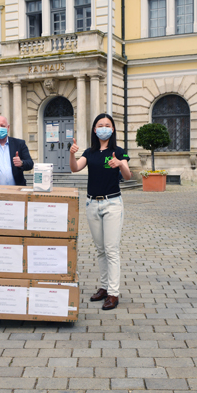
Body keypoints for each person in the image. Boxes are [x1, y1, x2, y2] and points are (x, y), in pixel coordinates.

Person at [69, 113, 131, 310]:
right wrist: (71, 154)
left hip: (112, 204)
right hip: (92, 205)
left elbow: (128, 176)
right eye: (100, 125)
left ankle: (113, 293)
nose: (103, 127)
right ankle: (104, 287)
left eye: (107, 125)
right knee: (101, 250)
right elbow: (75, 168)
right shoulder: (89, 152)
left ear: (112, 130)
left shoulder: (118, 151)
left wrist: (120, 164)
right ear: (94, 130)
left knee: (112, 250)